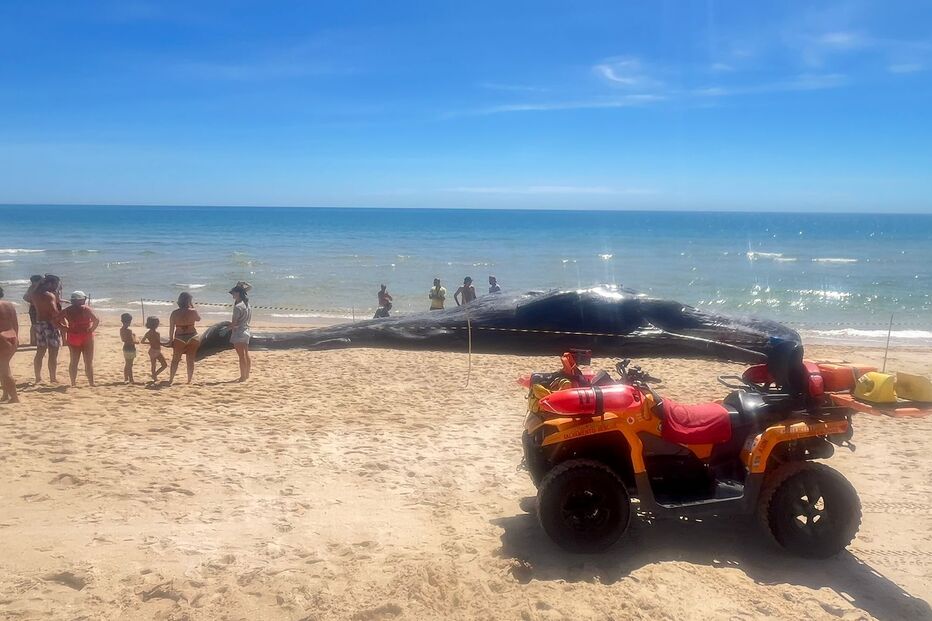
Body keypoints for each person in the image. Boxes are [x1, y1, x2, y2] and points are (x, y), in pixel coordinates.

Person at [59, 291, 100, 387]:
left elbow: (55, 320)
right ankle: (91, 383)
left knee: (73, 361)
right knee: (88, 362)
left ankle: (73, 383)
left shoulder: (67, 310)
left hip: (73, 335)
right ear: (81, 300)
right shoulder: (86, 309)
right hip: (86, 336)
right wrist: (91, 329)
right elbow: (96, 320)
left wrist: (65, 328)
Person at [32, 274, 63, 384]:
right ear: (50, 284)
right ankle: (52, 378)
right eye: (55, 284)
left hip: (39, 323)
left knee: (40, 351)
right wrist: (62, 322)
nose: (56, 286)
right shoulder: (50, 296)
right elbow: (54, 312)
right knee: (53, 353)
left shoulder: (35, 294)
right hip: (50, 324)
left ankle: (38, 378)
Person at [168, 292, 201, 384]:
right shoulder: (193, 311)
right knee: (190, 360)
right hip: (192, 335)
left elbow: (171, 328)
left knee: (175, 360)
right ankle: (189, 380)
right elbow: (198, 319)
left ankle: (171, 379)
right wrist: (192, 306)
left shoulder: (174, 313)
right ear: (189, 301)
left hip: (179, 337)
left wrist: (171, 340)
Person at [229, 283, 253, 381]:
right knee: (246, 354)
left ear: (238, 293)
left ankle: (242, 376)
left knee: (241, 356)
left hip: (238, 332)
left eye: (234, 293)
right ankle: (246, 375)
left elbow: (234, 323)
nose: (232, 295)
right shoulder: (247, 305)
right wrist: (242, 284)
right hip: (246, 330)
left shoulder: (238, 307)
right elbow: (249, 288)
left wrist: (226, 328)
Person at [0, 286, 19, 403]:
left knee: (5, 370)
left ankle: (15, 398)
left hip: (1, 338)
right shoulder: (9, 305)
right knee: (3, 367)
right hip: (12, 336)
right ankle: (5, 395)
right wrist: (17, 338)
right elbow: (15, 323)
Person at [141, 316, 168, 381]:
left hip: (151, 350)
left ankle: (154, 377)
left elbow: (142, 341)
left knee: (153, 365)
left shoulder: (148, 333)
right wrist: (166, 344)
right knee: (164, 365)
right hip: (157, 350)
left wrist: (150, 343)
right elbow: (159, 343)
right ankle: (155, 375)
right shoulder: (157, 333)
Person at [22, 274, 42, 346]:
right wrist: (33, 301)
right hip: (34, 308)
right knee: (34, 325)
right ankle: (33, 341)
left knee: (38, 325)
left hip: (38, 308)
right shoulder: (32, 288)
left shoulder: (39, 287)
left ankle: (35, 340)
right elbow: (25, 297)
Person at [120, 313, 138, 384]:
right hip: (130, 348)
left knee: (127, 364)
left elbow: (123, 339)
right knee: (130, 364)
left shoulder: (121, 330)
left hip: (125, 347)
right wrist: (136, 338)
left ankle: (126, 378)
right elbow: (132, 341)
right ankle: (131, 379)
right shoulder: (129, 331)